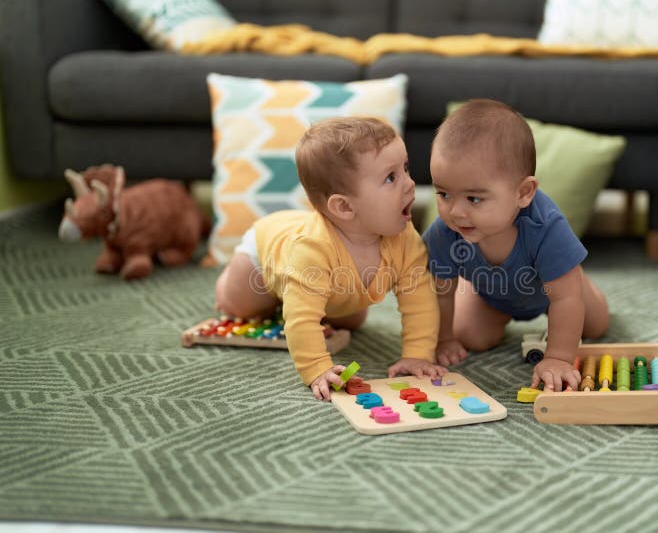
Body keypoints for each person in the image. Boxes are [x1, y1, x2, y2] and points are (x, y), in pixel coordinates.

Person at [215, 117, 446, 400]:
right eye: (391, 177)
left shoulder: (405, 237)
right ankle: (227, 286)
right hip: (264, 256)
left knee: (352, 320)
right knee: (241, 305)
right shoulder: (311, 249)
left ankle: (306, 297)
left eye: (406, 168)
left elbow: (419, 298)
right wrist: (316, 368)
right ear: (345, 206)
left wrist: (418, 355)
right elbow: (300, 320)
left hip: (337, 286)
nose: (410, 184)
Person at [422, 99, 610, 392]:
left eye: (473, 198)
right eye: (444, 194)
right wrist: (443, 338)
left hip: (555, 292)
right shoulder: (445, 232)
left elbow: (565, 300)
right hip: (493, 295)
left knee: (595, 325)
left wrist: (558, 358)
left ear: (523, 193)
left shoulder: (546, 228)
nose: (456, 212)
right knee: (471, 337)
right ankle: (474, 290)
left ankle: (577, 277)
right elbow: (440, 293)